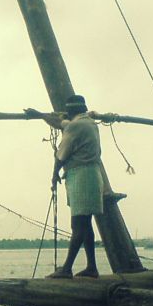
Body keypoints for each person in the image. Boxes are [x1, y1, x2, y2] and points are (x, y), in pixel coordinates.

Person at [49, 94, 104, 279]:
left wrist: (54, 174)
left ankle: (66, 268)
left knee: (78, 225)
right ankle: (92, 267)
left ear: (71, 111)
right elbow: (64, 124)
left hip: (81, 176)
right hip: (92, 174)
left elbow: (61, 155)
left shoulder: (75, 126)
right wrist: (44, 116)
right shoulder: (89, 122)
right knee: (86, 224)